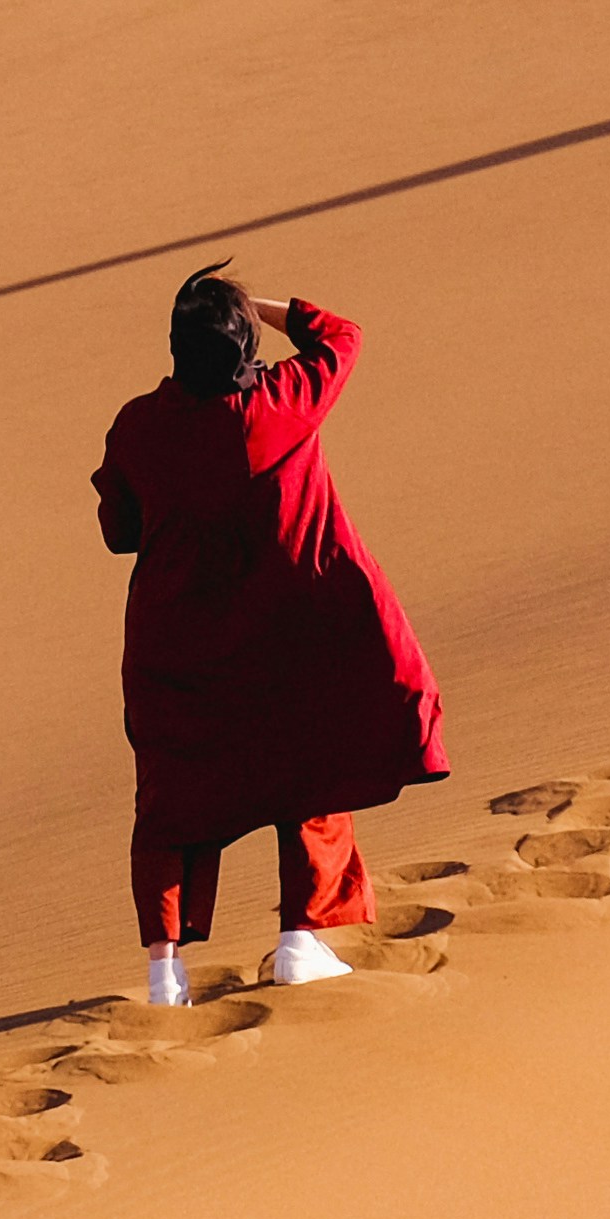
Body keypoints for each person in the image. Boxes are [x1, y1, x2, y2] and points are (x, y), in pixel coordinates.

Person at [91, 261, 450, 1009]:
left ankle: (165, 971)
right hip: (286, 630)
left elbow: (118, 531)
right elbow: (341, 336)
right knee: (310, 767)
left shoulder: (139, 426)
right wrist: (253, 302)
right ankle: (299, 942)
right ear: (242, 345)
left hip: (177, 643)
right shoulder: (284, 402)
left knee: (172, 800)